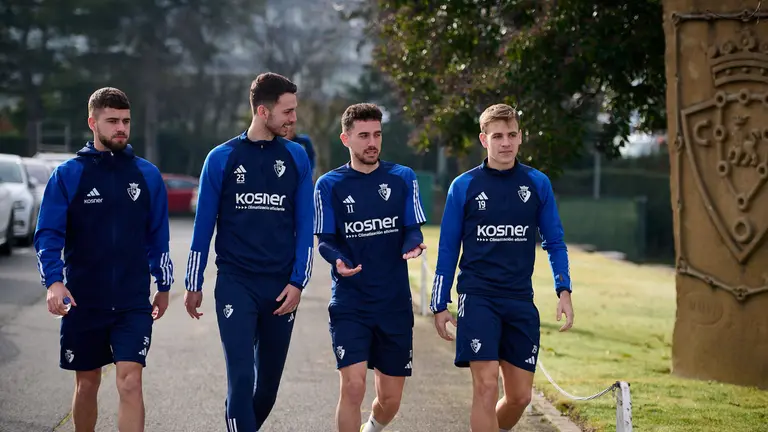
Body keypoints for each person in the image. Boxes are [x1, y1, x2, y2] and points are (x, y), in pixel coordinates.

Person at [34, 87, 174, 432]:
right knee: (87, 384)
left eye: (125, 121)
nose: (121, 128)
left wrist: (164, 285)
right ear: (92, 122)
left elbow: (158, 237)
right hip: (84, 300)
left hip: (131, 301)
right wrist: (53, 282)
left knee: (130, 380)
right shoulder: (68, 175)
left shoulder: (148, 175)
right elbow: (48, 235)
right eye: (112, 121)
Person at [430, 103, 574, 432]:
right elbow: (449, 248)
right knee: (485, 386)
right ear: (484, 139)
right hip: (477, 297)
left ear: (520, 137)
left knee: (520, 396)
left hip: (520, 300)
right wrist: (439, 303)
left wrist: (563, 290)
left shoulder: (537, 184)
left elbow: (554, 241)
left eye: (511, 135)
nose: (505, 143)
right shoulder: (463, 186)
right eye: (497, 136)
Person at [183, 72, 314, 432]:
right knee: (241, 377)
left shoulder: (297, 158)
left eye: (294, 110)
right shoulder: (221, 158)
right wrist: (193, 283)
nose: (293, 118)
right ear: (262, 111)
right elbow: (202, 227)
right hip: (236, 283)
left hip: (280, 287)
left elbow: (306, 227)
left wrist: (298, 282)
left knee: (266, 389)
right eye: (287, 111)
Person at [313, 103, 427, 432]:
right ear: (346, 139)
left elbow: (413, 229)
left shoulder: (403, 178)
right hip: (351, 301)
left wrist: (412, 246)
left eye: (376, 134)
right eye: (363, 136)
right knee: (353, 387)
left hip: (393, 303)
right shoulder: (329, 184)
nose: (371, 142)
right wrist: (336, 260)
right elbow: (325, 239)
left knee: (390, 399)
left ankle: (372, 427)